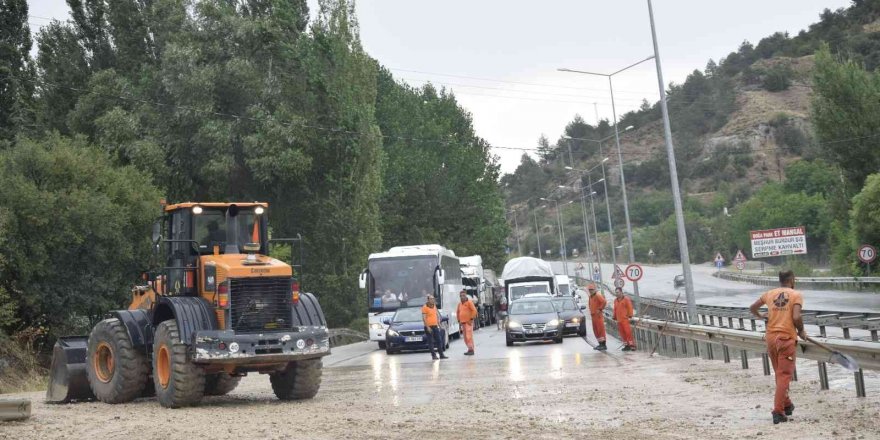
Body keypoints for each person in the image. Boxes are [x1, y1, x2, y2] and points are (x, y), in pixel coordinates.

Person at [749, 270, 805, 425]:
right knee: (784, 375)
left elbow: (752, 307)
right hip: (786, 339)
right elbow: (796, 317)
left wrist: (762, 316)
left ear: (780, 280)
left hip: (771, 339)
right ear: (792, 279)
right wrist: (801, 330)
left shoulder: (769, 294)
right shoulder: (796, 295)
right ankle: (778, 412)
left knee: (779, 375)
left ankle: (787, 404)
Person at [422, 295, 447, 360]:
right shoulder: (425, 307)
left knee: (439, 340)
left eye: (433, 299)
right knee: (431, 342)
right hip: (429, 327)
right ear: (428, 300)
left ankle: (441, 354)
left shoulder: (434, 306)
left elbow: (436, 316)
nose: (433, 300)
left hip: (435, 326)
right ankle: (433, 355)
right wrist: (427, 327)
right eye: (431, 299)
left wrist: (439, 325)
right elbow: (424, 318)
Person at [457, 290, 478, 356]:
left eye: (463, 295)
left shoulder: (469, 302)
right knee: (465, 338)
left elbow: (474, 311)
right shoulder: (459, 304)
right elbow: (457, 312)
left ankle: (471, 350)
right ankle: (469, 349)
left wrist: (471, 319)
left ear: (466, 295)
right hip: (462, 323)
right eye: (461, 296)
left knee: (469, 336)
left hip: (468, 322)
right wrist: (458, 320)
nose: (462, 297)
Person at [587, 284, 607, 350]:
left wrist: (600, 309)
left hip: (598, 316)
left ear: (594, 290)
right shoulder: (590, 297)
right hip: (593, 316)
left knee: (600, 330)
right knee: (596, 330)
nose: (590, 291)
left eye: (591, 290)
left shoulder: (598, 295)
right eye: (589, 290)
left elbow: (604, 302)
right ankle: (600, 344)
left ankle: (603, 344)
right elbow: (590, 305)